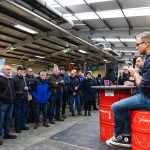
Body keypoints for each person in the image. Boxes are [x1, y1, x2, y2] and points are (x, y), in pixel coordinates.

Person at [106, 32, 150, 147]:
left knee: (116, 106)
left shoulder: (149, 60)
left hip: (147, 98)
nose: (136, 47)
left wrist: (135, 74)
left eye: (138, 44)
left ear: (146, 44)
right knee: (125, 104)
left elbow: (144, 87)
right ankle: (126, 134)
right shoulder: (148, 59)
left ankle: (122, 136)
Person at [0, 65, 17, 145]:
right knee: (1, 120)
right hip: (3, 103)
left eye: (10, 69)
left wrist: (14, 97)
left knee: (8, 119)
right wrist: (4, 97)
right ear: (3, 70)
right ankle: (0, 136)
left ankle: (7, 134)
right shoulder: (0, 78)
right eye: (7, 69)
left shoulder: (11, 79)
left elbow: (13, 90)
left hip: (11, 103)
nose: (9, 70)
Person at [13, 66, 29, 133]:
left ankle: (22, 125)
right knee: (18, 113)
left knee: (23, 113)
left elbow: (27, 87)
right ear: (18, 70)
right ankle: (18, 127)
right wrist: (21, 91)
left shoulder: (24, 78)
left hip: (24, 98)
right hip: (18, 99)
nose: (22, 71)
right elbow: (13, 90)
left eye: (23, 70)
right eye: (21, 70)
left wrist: (28, 88)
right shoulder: (14, 79)